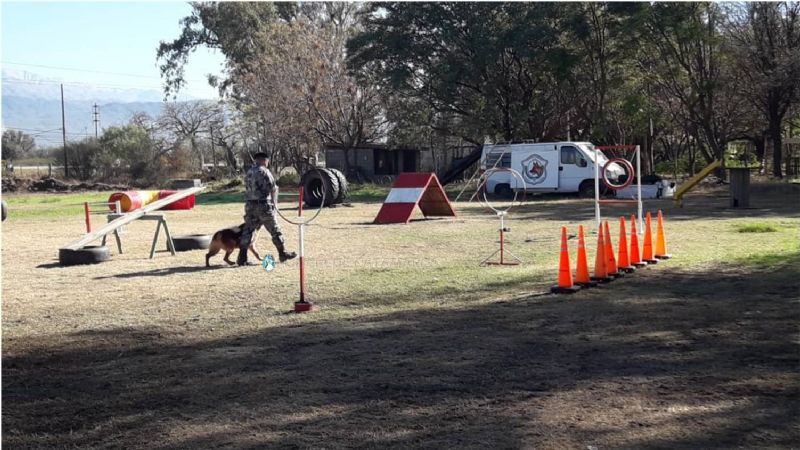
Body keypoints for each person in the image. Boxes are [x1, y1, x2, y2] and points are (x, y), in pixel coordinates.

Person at [237, 152, 296, 266]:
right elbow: (273, 188)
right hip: (263, 205)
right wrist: (275, 204)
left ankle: (242, 257)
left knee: (248, 231)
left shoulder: (249, 172)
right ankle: (282, 253)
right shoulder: (264, 171)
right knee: (275, 230)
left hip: (250, 205)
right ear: (265, 160)